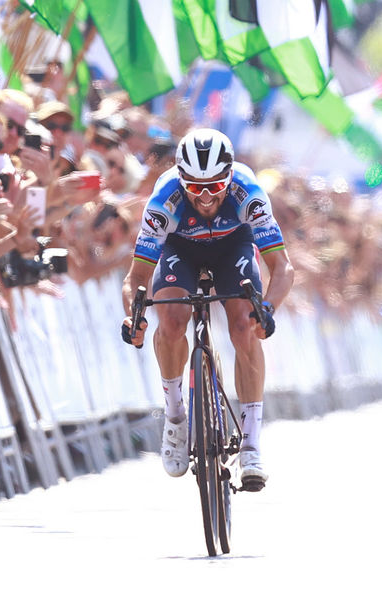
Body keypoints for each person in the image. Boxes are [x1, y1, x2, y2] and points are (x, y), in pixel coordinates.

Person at [120, 128, 294, 490]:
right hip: (180, 248)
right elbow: (136, 277)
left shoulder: (249, 196)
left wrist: (268, 309)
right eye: (194, 188)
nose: (204, 197)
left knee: (245, 327)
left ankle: (250, 444)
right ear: (180, 178)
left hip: (234, 247)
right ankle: (175, 417)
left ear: (229, 178)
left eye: (215, 187)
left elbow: (283, 268)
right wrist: (132, 316)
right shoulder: (162, 203)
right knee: (169, 318)